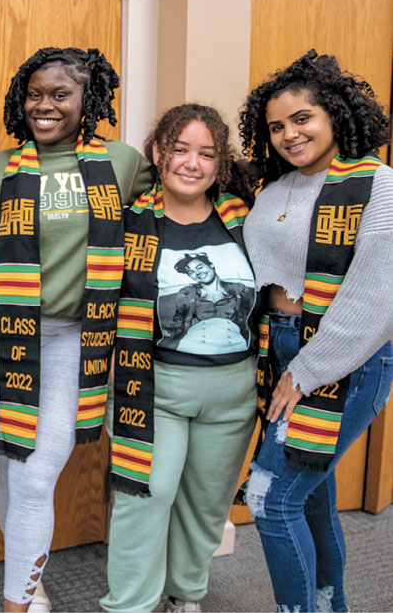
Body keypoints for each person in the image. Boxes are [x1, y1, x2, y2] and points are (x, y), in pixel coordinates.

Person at [0, 47, 150, 612]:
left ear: (87, 100)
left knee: (32, 475)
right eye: (34, 94)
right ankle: (32, 583)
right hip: (0, 332)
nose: (43, 106)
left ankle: (14, 606)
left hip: (76, 335)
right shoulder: (0, 164)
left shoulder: (122, 163)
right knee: (10, 463)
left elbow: (187, 184)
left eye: (60, 95)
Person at [239, 49, 393, 612]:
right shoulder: (274, 190)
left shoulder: (378, 185)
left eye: (302, 119)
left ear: (334, 115)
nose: (288, 134)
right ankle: (331, 605)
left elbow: (376, 298)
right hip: (280, 345)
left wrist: (305, 372)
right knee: (309, 499)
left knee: (270, 498)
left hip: (345, 359)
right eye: (276, 126)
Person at [101, 104, 259, 612]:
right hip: (154, 391)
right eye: (180, 149)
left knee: (206, 506)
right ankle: (130, 605)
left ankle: (186, 596)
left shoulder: (243, 217)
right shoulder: (130, 222)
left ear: (220, 164)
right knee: (144, 497)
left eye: (206, 153)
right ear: (157, 153)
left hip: (233, 395)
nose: (192, 163)